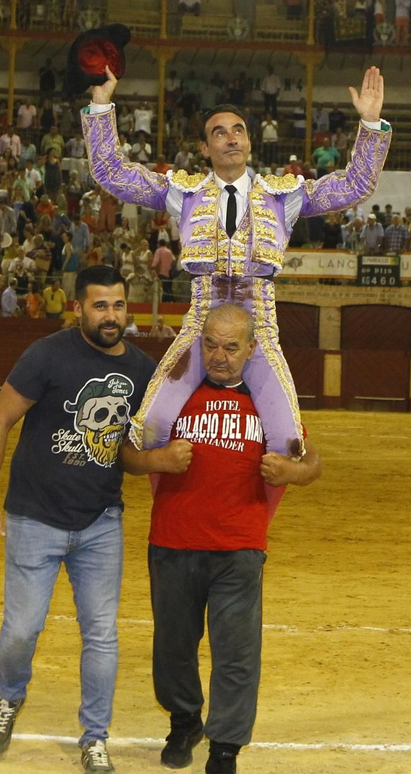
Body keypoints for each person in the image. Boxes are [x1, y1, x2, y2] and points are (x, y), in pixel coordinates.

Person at [82, 46, 389, 463]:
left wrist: (370, 123)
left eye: (238, 130)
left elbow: (355, 186)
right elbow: (113, 175)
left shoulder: (284, 195)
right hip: (200, 323)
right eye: (220, 132)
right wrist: (101, 108)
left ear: (249, 140)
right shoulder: (183, 192)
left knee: (287, 444)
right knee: (149, 429)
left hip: (258, 327)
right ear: (205, 149)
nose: (231, 138)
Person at [0, 265, 156, 772]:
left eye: (118, 305)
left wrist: (160, 461)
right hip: (34, 519)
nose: (111, 315)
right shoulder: (47, 354)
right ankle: (11, 695)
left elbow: (132, 451)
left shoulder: (142, 370)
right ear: (78, 308)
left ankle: (94, 736)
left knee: (102, 634)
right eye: (100, 305)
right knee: (21, 632)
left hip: (100, 523)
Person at [123, 304, 318, 774]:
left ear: (252, 349)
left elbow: (313, 463)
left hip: (238, 547)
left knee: (236, 652)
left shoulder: (270, 401)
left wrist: (290, 470)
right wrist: (158, 461)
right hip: (173, 540)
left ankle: (225, 746)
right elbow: (128, 453)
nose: (219, 355)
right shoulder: (173, 394)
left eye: (232, 346)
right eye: (210, 343)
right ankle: (185, 719)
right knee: (173, 646)